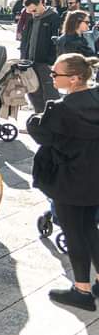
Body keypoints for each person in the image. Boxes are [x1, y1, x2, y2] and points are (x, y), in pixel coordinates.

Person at [27, 54, 99, 311]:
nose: (51, 77)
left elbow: (40, 133)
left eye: (56, 74)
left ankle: (82, 290)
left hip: (68, 180)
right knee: (90, 228)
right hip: (94, 179)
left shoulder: (60, 109)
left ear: (75, 78)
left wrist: (33, 119)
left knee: (74, 232)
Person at [20, 0, 61, 111]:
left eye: (34, 10)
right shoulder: (31, 18)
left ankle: (53, 116)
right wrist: (23, 58)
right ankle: (38, 115)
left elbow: (55, 41)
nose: (33, 13)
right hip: (30, 61)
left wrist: (51, 60)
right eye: (29, 12)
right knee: (33, 91)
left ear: (41, 4)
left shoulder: (53, 17)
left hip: (45, 62)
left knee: (50, 92)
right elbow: (25, 40)